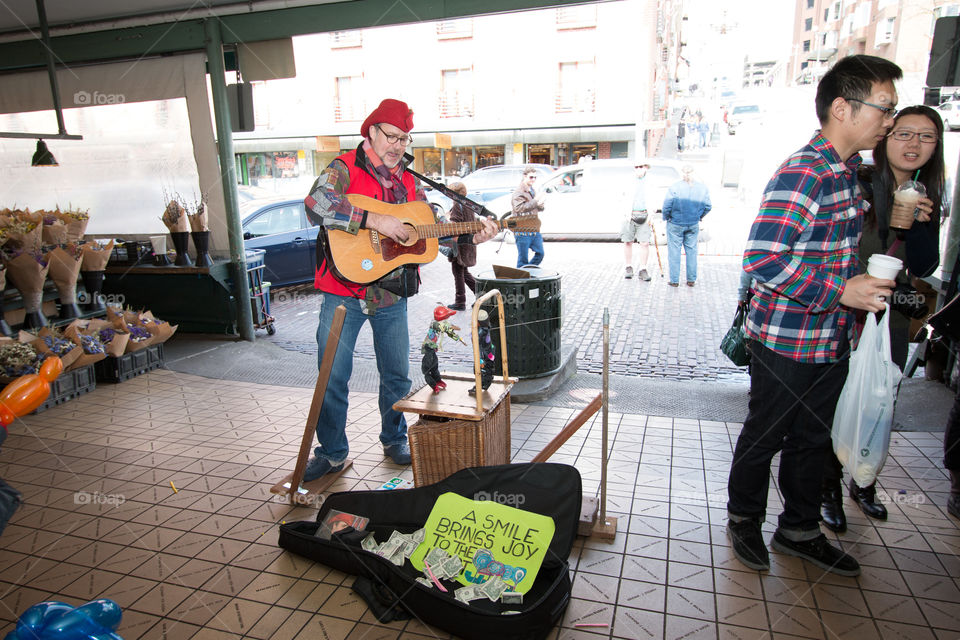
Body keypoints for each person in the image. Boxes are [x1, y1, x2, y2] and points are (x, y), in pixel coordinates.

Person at [726, 54, 901, 577]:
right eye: (884, 108)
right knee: (766, 435)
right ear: (844, 107)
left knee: (812, 440)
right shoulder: (807, 170)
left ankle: (799, 530)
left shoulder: (846, 171)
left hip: (829, 340)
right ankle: (744, 521)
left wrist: (856, 282)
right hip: (785, 342)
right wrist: (841, 291)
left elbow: (820, 253)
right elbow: (762, 256)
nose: (890, 121)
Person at [302, 98, 497, 481]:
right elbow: (315, 204)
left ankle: (393, 439)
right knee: (332, 376)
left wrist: (473, 236)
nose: (397, 146)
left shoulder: (409, 182)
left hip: (390, 296)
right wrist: (376, 220)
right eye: (391, 136)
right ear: (371, 131)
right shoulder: (343, 167)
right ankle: (333, 453)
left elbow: (431, 232)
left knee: (396, 375)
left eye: (404, 139)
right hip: (342, 293)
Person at [821, 105, 943, 532]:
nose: (913, 144)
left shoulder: (927, 191)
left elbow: (926, 265)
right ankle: (828, 486)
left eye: (926, 137)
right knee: (838, 398)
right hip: (847, 309)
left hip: (887, 316)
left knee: (878, 396)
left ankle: (864, 479)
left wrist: (922, 225)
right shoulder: (859, 182)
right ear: (886, 136)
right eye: (904, 133)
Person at [662, 165, 711, 287]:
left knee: (674, 252)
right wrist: (699, 216)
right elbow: (708, 206)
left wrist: (666, 217)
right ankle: (691, 279)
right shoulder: (702, 188)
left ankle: (674, 280)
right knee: (692, 251)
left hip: (676, 222)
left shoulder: (675, 187)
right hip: (693, 222)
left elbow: (667, 205)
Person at [446, 181, 477, 311]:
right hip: (468, 243)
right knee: (464, 272)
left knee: (458, 272)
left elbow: (455, 226)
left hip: (459, 244)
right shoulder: (468, 204)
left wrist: (447, 218)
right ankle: (482, 295)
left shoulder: (457, 204)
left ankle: (460, 301)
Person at [622, 162, 652, 281]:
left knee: (644, 243)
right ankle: (628, 266)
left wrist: (652, 213)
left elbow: (654, 197)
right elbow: (622, 197)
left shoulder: (651, 182)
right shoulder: (628, 181)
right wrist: (624, 213)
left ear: (646, 168)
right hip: (629, 215)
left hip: (644, 214)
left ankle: (643, 269)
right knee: (627, 241)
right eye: (636, 167)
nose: (638, 169)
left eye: (641, 167)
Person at [511, 167, 545, 268]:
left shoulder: (532, 190)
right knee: (523, 260)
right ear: (524, 176)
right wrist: (536, 201)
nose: (533, 180)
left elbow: (532, 206)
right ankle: (521, 279)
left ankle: (527, 272)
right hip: (522, 230)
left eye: (535, 177)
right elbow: (519, 208)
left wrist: (540, 205)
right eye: (531, 177)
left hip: (533, 228)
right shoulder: (519, 192)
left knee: (540, 253)